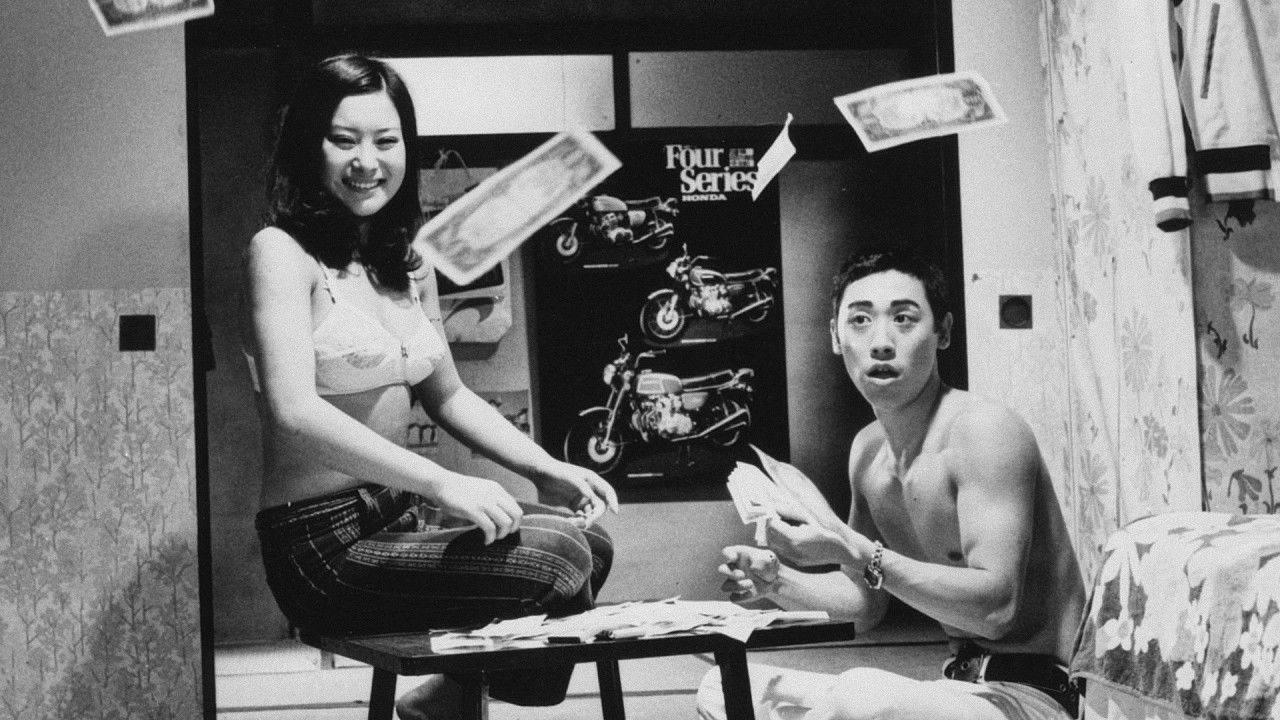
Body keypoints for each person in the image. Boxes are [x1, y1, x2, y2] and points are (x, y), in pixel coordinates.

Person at [239, 53, 619, 720]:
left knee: (590, 543)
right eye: (344, 140)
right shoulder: (280, 251)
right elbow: (294, 410)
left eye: (386, 141)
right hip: (323, 544)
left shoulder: (407, 261)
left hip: (398, 513)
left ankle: (451, 696)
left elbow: (449, 394)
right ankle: (454, 698)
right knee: (559, 558)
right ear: (308, 147)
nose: (367, 161)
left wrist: (545, 468)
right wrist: (443, 482)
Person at [698, 243, 1086, 720]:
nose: (881, 342)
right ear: (835, 336)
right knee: (726, 687)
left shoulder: (984, 431)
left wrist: (859, 551)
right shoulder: (868, 452)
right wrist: (777, 579)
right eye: (860, 320)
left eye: (904, 319)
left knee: (859, 693)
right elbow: (865, 603)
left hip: (1038, 699)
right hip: (956, 691)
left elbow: (996, 611)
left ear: (943, 332)